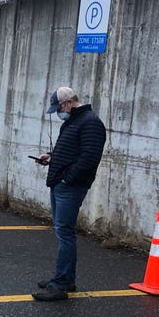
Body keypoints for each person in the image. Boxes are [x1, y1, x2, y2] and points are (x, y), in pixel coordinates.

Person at [32, 86, 107, 301]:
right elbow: (69, 151)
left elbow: (89, 158)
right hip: (61, 183)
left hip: (70, 186)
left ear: (68, 103)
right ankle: (65, 278)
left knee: (65, 233)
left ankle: (61, 283)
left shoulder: (90, 122)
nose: (58, 113)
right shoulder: (73, 121)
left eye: (59, 108)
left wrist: (67, 178)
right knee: (62, 231)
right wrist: (51, 157)